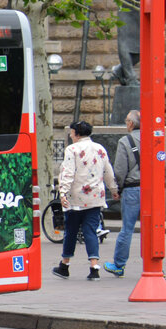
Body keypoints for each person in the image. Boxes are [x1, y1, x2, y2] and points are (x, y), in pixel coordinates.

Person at [52, 120, 118, 281]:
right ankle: (94, 267)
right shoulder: (100, 148)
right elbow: (108, 171)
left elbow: (67, 172)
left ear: (77, 133)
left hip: (76, 199)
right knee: (90, 231)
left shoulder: (72, 149)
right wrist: (114, 190)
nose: (70, 134)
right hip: (96, 197)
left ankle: (65, 265)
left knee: (71, 231)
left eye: (72, 132)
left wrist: (63, 193)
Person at [104, 110, 141, 277]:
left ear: (131, 124)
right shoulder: (155, 139)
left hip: (132, 189)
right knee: (152, 228)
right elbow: (165, 165)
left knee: (127, 228)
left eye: (126, 121)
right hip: (152, 191)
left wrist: (116, 189)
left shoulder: (125, 141)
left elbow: (119, 170)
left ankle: (119, 265)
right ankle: (155, 265)